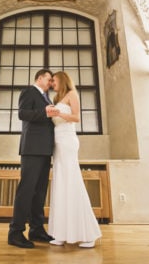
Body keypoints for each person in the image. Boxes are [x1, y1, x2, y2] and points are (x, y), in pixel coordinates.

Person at [47, 71, 102, 248]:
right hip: (57, 142)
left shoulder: (72, 94)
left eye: (53, 80)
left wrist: (59, 114)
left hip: (68, 141)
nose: (51, 83)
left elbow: (77, 118)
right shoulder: (56, 99)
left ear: (62, 80)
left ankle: (89, 234)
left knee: (72, 182)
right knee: (61, 184)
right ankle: (61, 233)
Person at [8, 69, 57, 248]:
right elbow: (23, 114)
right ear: (39, 78)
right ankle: (15, 232)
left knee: (40, 192)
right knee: (26, 190)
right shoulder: (29, 91)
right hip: (32, 148)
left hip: (45, 150)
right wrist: (45, 112)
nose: (51, 83)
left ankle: (36, 229)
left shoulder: (47, 98)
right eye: (49, 79)